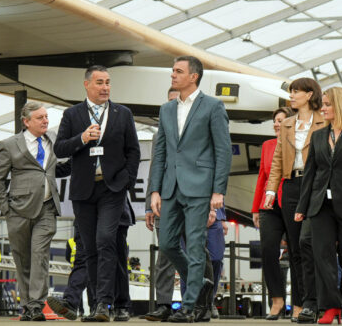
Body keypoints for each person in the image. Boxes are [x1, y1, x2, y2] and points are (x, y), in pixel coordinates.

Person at [53, 65, 140, 322]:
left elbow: (133, 151)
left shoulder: (123, 113)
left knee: (105, 241)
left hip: (112, 188)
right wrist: (81, 138)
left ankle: (105, 303)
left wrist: (126, 180)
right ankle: (94, 306)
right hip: (83, 191)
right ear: (87, 84)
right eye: (100, 82)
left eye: (108, 82)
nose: (105, 87)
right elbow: (59, 148)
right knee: (89, 248)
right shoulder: (72, 114)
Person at [149, 55, 232, 323]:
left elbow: (223, 150)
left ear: (193, 76)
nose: (172, 75)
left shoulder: (213, 106)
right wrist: (154, 190)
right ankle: (201, 282)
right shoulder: (166, 109)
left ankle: (188, 306)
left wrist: (218, 191)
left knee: (196, 246)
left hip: (200, 187)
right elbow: (160, 152)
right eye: (173, 70)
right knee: (169, 245)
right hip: (171, 187)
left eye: (178, 71)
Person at [294, 87, 342, 324]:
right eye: (323, 104)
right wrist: (302, 206)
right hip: (320, 206)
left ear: (340, 106)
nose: (323, 108)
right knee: (322, 257)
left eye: (327, 104)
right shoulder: (318, 135)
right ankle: (332, 306)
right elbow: (310, 174)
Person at [0, 101, 69, 321]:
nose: (45, 120)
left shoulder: (53, 141)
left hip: (47, 208)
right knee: (23, 259)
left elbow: (57, 167)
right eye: (40, 118)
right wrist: (6, 209)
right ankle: (27, 305)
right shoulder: (9, 144)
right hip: (19, 211)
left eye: (46, 117)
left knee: (39, 256)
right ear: (26, 122)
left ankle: (36, 305)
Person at [264, 77, 325, 323]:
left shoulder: (324, 121)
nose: (291, 95)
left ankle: (313, 301)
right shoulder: (288, 124)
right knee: (295, 247)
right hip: (290, 186)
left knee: (309, 244)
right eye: (291, 92)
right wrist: (271, 190)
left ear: (309, 94)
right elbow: (278, 159)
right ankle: (300, 305)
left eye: (296, 91)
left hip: (315, 186)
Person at [252, 106, 294, 320]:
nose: (276, 124)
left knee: (297, 253)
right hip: (269, 205)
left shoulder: (297, 144)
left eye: (281, 120)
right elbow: (262, 176)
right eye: (275, 120)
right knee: (268, 250)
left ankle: (299, 303)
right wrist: (256, 208)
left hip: (292, 202)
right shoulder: (267, 145)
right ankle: (277, 300)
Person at [144, 87, 181, 322]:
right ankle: (164, 304)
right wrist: (150, 201)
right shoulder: (160, 134)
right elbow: (154, 167)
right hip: (165, 199)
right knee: (165, 252)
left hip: (192, 196)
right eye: (169, 103)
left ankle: (201, 301)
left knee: (198, 252)